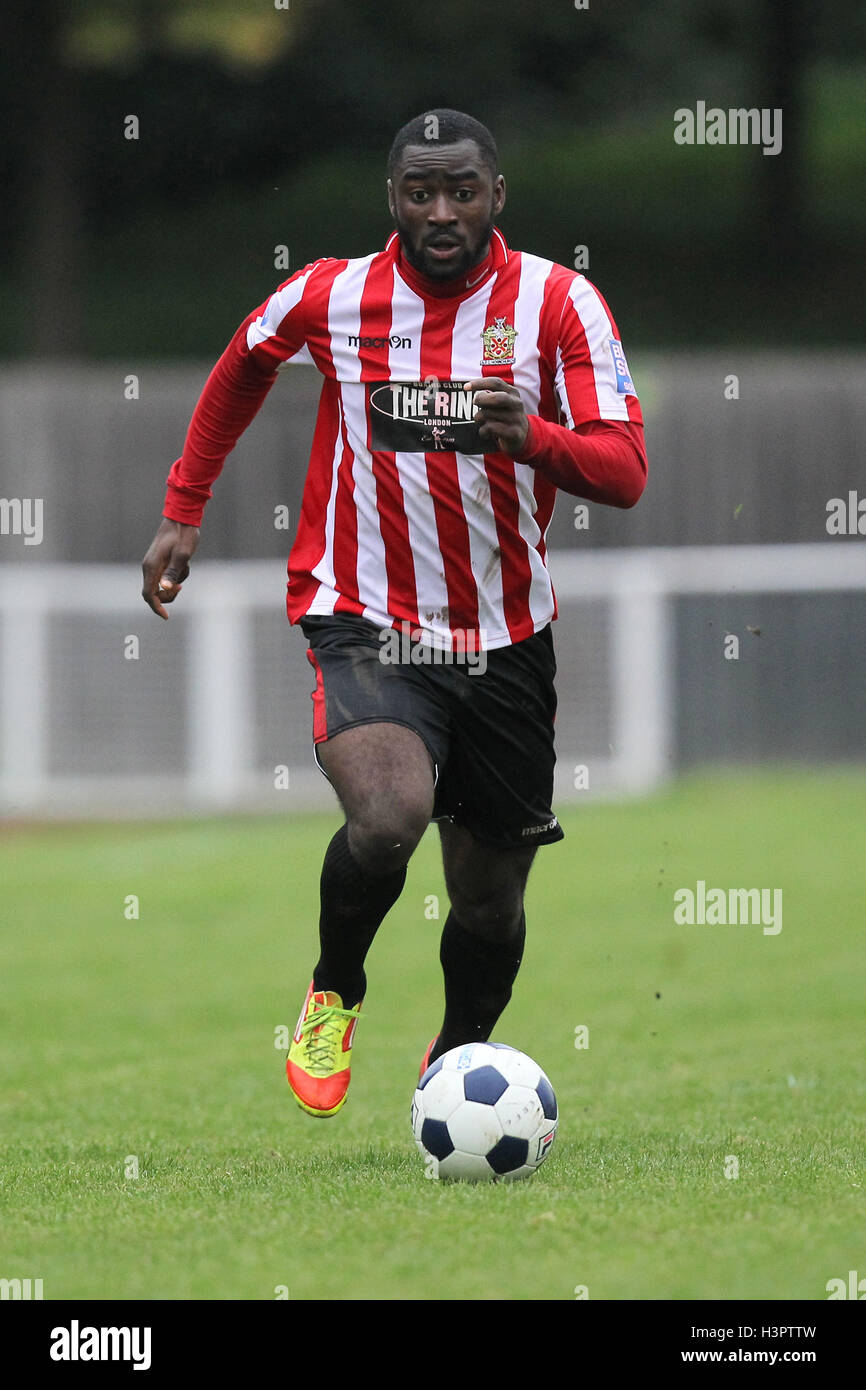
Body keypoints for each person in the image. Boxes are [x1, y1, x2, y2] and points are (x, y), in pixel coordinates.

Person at [141, 108, 648, 1118]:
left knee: (490, 895)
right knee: (388, 815)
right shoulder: (333, 295)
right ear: (393, 200)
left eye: (461, 189)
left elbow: (625, 470)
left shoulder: (558, 304)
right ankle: (334, 990)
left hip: (504, 633)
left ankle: (455, 1065)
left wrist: (532, 436)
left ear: (495, 194)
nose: (441, 210)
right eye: (420, 192)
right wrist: (182, 510)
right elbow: (242, 361)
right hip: (361, 608)